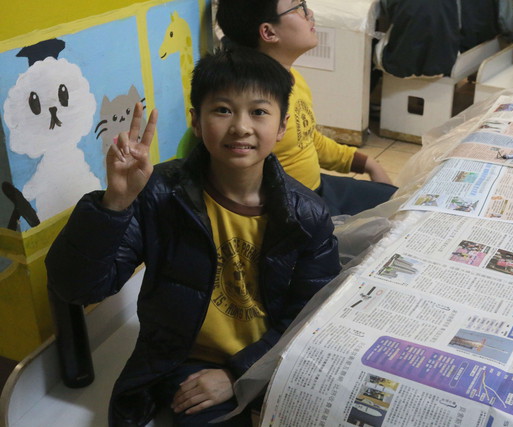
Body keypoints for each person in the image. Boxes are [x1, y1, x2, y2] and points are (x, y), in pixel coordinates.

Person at [45, 47, 341, 426]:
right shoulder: (159, 193)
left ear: (281, 126)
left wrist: (237, 373)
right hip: (188, 364)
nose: (241, 127)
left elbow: (310, 317)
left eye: (258, 112)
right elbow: (79, 288)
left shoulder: (307, 215)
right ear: (196, 122)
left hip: (271, 357)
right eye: (223, 110)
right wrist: (114, 203)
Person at [184, 0, 396, 217]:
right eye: (299, 7)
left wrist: (367, 163)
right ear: (268, 32)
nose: (309, 13)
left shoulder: (294, 79)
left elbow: (309, 139)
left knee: (400, 201)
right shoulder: (254, 105)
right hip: (295, 208)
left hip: (319, 188)